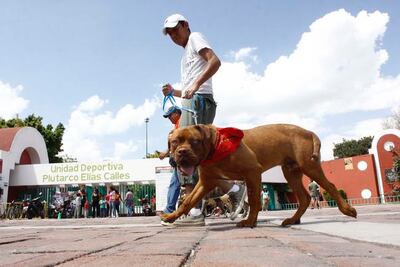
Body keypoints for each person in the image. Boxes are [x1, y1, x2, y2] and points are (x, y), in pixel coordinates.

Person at [161, 13, 246, 226]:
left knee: (184, 154)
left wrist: (196, 86)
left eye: (175, 30)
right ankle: (232, 190)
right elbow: (190, 90)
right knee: (202, 159)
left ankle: (196, 212)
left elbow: (215, 62)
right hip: (195, 100)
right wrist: (175, 91)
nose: (172, 35)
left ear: (185, 25)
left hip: (199, 100)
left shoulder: (195, 38)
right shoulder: (185, 55)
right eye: (169, 33)